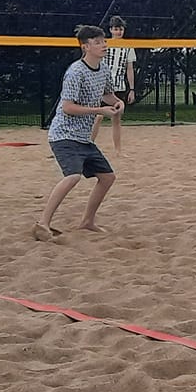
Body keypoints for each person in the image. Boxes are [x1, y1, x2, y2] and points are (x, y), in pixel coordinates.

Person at [36, 24, 126, 240]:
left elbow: (107, 95)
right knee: (73, 176)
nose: (104, 45)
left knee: (107, 177)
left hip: (83, 138)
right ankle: (42, 224)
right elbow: (67, 107)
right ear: (85, 47)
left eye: (104, 41)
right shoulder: (76, 72)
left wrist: (118, 102)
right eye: (98, 42)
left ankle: (87, 221)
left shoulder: (103, 69)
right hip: (64, 135)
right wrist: (99, 110)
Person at [95, 16, 137, 154]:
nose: (118, 32)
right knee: (98, 116)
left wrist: (132, 89)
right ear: (111, 30)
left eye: (120, 29)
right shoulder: (105, 45)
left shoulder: (128, 47)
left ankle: (118, 150)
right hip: (103, 86)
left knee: (117, 118)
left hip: (119, 86)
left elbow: (129, 69)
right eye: (116, 29)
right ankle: (89, 146)